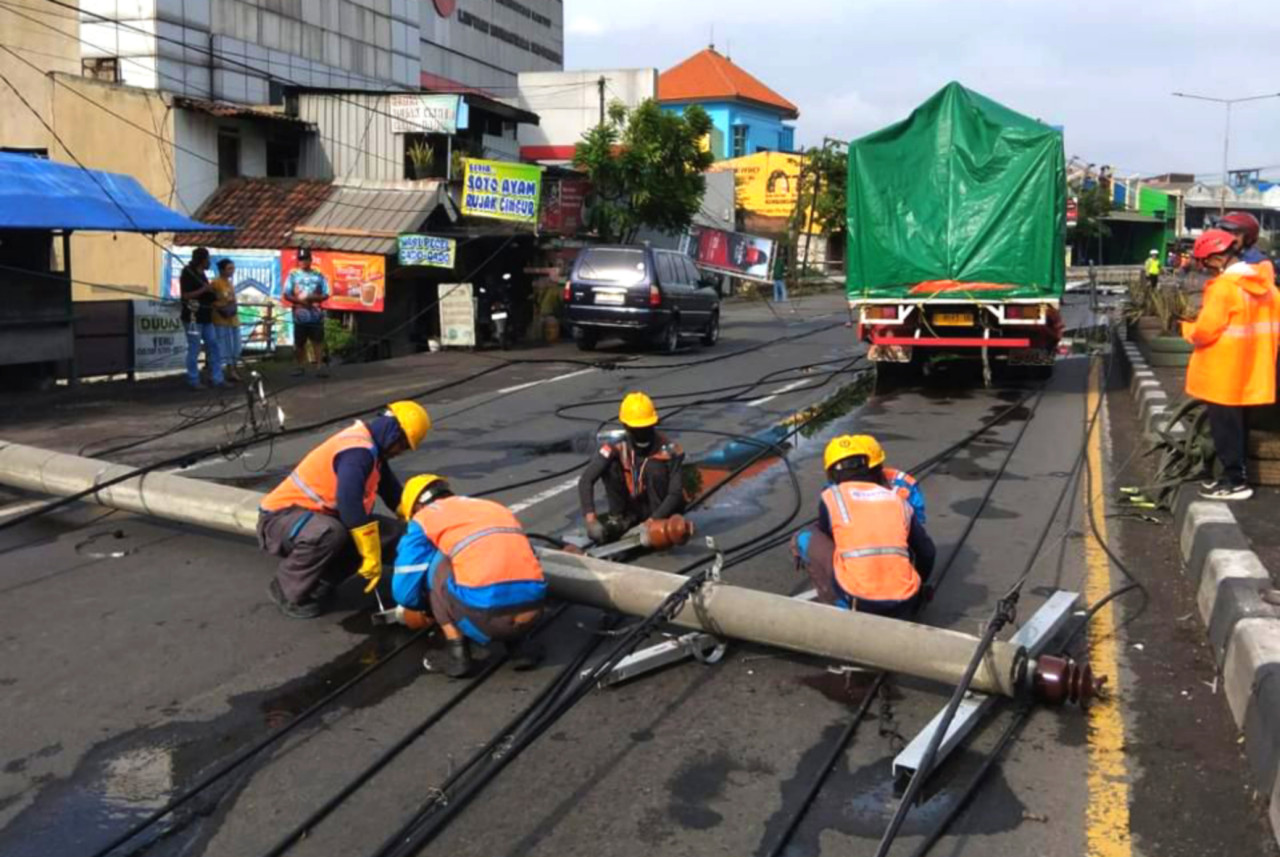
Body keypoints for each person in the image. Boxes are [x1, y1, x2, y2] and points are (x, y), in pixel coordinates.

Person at [257, 400, 432, 618]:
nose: (401, 452)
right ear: (393, 433)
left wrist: (425, 517)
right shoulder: (357, 452)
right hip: (280, 520)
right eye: (403, 445)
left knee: (392, 533)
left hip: (317, 519)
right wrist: (370, 552)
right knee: (334, 533)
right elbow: (350, 505)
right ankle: (286, 590)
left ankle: (318, 584)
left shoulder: (374, 452)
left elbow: (393, 493)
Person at [391, 474, 547, 677]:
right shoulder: (493, 507)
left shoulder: (424, 518)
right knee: (505, 558)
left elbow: (404, 591)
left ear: (416, 508)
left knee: (439, 564)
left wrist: (424, 608)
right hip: (533, 613)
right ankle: (520, 647)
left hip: (485, 620)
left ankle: (458, 654)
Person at [1182, 228, 1280, 501]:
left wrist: (1187, 329)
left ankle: (1234, 481)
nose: (1207, 269)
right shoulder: (1268, 288)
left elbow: (1205, 331)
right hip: (1254, 369)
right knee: (1240, 426)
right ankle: (1235, 475)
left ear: (1215, 259)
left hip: (1224, 371)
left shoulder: (1223, 289)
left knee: (1225, 428)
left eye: (1205, 263)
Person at [790, 434, 936, 617]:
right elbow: (927, 552)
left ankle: (837, 603)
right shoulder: (898, 500)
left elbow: (830, 536)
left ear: (832, 474)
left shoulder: (832, 496)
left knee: (806, 536)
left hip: (858, 600)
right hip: (905, 602)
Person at [578, 392, 685, 544]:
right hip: (633, 506)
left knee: (655, 468)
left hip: (659, 510)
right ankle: (619, 518)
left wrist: (651, 522)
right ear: (626, 427)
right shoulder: (616, 446)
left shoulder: (669, 450)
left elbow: (675, 493)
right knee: (610, 466)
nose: (641, 433)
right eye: (637, 429)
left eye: (645, 428)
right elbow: (586, 480)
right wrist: (591, 519)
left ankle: (654, 520)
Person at [179, 247, 224, 390]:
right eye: (207, 259)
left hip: (206, 316)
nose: (209, 262)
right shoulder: (187, 273)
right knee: (194, 347)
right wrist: (204, 290)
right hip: (192, 317)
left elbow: (207, 294)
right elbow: (185, 296)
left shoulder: (202, 274)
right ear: (202, 260)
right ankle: (193, 379)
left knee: (214, 345)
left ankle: (217, 378)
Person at [286, 248, 331, 378]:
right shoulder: (293, 276)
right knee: (300, 342)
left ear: (310, 260)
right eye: (300, 259)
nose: (303, 261)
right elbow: (287, 294)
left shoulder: (319, 276)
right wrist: (300, 301)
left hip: (316, 315)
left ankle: (319, 367)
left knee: (318, 341)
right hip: (300, 315)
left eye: (305, 259)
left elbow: (326, 294)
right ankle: (300, 366)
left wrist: (312, 298)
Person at [210, 258, 242, 383]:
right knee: (222, 348)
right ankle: (218, 374)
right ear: (222, 270)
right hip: (221, 320)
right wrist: (222, 310)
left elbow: (233, 300)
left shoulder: (229, 283)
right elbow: (211, 301)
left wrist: (233, 309)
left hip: (233, 319)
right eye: (229, 268)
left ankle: (232, 371)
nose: (232, 271)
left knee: (236, 347)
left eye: (233, 268)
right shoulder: (215, 283)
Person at [1219, 211, 1275, 282]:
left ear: (1248, 238)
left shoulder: (1260, 264)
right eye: (1226, 234)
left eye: (1236, 234)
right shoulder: (1224, 256)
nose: (1229, 238)